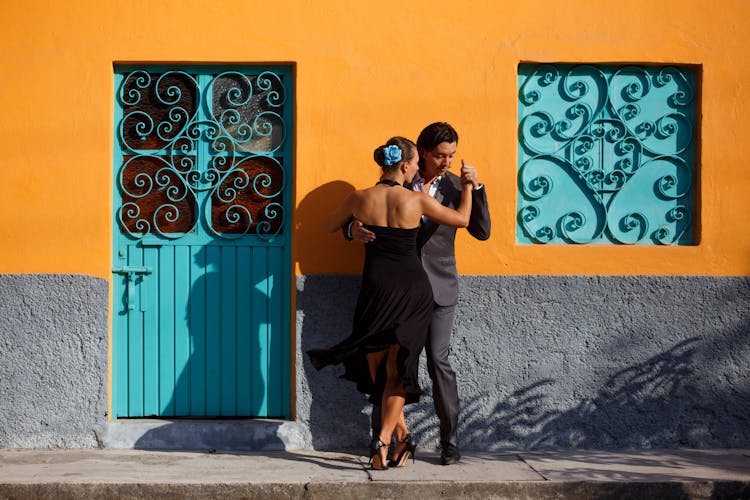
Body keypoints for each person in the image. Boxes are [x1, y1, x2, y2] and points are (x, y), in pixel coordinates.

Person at [307, 136, 473, 470]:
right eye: (413, 165)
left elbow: (328, 225)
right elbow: (463, 220)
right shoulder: (415, 201)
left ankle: (394, 440)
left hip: (375, 290)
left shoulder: (358, 198)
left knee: (382, 372)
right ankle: (386, 440)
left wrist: (353, 230)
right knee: (398, 373)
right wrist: (468, 187)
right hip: (413, 291)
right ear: (405, 165)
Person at [346, 122, 491, 465]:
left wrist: (476, 187)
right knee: (389, 362)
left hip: (439, 289)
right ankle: (384, 439)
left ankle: (450, 441)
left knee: (438, 361)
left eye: (452, 155)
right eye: (441, 155)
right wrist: (352, 230)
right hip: (398, 292)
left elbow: (481, 231)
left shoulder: (458, 186)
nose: (447, 162)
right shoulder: (397, 177)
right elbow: (358, 212)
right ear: (422, 152)